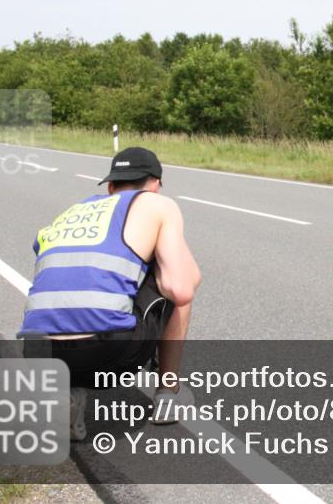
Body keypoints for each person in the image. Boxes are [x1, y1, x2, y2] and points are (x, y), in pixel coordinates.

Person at [20, 147, 201, 440]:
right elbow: (180, 289)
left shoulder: (72, 211)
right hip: (109, 351)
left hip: (39, 354)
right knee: (169, 280)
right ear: (155, 185)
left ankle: (65, 393)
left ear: (110, 186)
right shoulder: (158, 205)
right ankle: (169, 394)